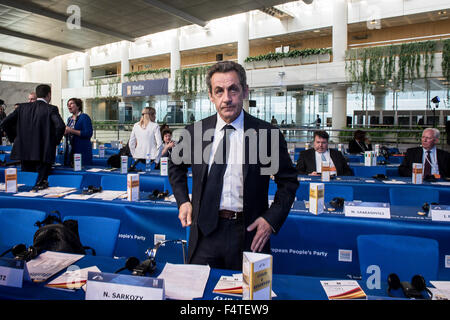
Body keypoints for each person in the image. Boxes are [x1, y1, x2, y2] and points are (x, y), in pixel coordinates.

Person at [168, 61, 298, 270]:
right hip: (205, 235)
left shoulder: (265, 135)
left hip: (250, 235)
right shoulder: (195, 132)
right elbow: (176, 166)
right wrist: (183, 201)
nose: (226, 98)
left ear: (245, 91)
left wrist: (270, 220)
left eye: (233, 90)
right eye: (219, 91)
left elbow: (288, 183)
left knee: (249, 300)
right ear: (211, 95)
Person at [0, 84, 65, 190]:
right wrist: (53, 142)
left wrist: (15, 138)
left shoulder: (22, 107)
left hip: (24, 153)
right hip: (43, 154)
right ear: (49, 95)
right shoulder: (51, 109)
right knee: (41, 186)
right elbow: (61, 126)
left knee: (26, 185)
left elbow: (4, 123)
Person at [64, 98, 93, 167]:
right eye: (68, 104)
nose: (69, 106)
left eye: (71, 104)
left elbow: (88, 133)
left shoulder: (84, 117)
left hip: (82, 151)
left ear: (78, 106)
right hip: (71, 151)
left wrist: (71, 130)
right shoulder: (69, 119)